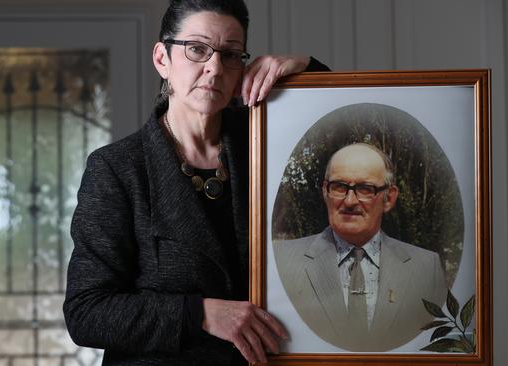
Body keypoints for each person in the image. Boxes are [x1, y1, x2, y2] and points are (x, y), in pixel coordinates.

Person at [62, 0, 330, 364]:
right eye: (197, 49)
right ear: (162, 59)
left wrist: (306, 68)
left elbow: (338, 129)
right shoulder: (116, 168)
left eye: (231, 55)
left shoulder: (266, 144)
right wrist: (199, 314)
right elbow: (86, 312)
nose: (215, 67)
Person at [274, 143, 447, 351]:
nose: (349, 201)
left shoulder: (426, 268)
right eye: (339, 186)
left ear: (389, 198)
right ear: (324, 191)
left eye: (365, 189)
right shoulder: (282, 260)